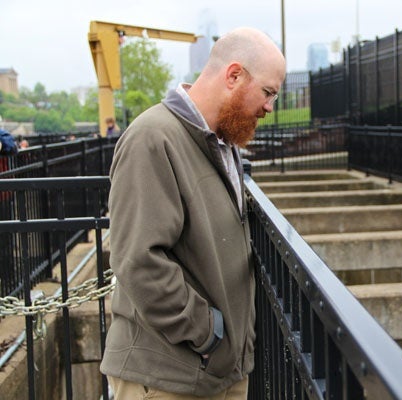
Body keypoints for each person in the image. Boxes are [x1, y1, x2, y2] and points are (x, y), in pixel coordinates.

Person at [100, 27, 286, 400]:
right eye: (267, 93)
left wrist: (228, 346)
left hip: (215, 370)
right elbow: (138, 259)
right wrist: (209, 333)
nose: (269, 107)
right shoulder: (152, 138)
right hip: (168, 376)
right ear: (234, 76)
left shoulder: (222, 141)